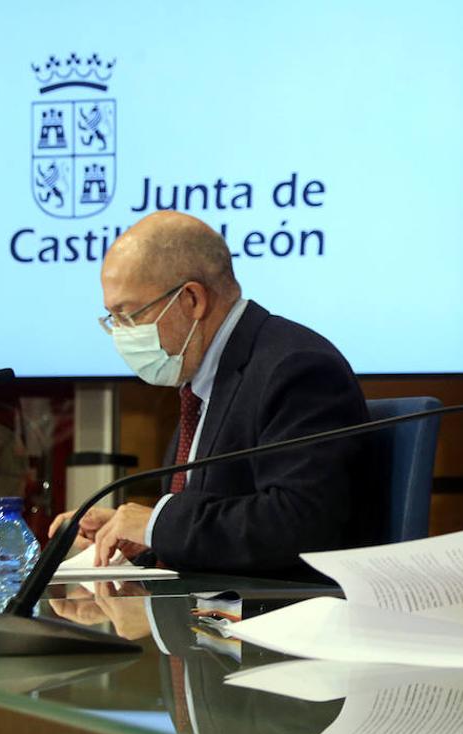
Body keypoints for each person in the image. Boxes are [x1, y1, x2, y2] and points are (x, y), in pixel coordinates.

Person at [50, 211, 383, 581]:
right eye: (111, 318)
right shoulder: (203, 382)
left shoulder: (296, 368)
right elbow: (217, 522)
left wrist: (158, 525)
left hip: (279, 622)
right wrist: (136, 536)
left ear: (191, 300)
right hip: (213, 618)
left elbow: (300, 522)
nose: (120, 334)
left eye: (128, 315)